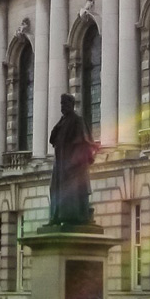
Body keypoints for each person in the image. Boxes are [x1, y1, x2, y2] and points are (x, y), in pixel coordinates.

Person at [48, 93, 98, 226]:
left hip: (73, 166)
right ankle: (56, 216)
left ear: (71, 105)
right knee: (55, 190)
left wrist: (74, 163)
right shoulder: (62, 121)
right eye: (61, 105)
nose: (62, 107)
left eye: (64, 104)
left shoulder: (77, 120)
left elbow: (85, 142)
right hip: (60, 164)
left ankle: (76, 217)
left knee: (73, 192)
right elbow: (52, 139)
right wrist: (58, 125)